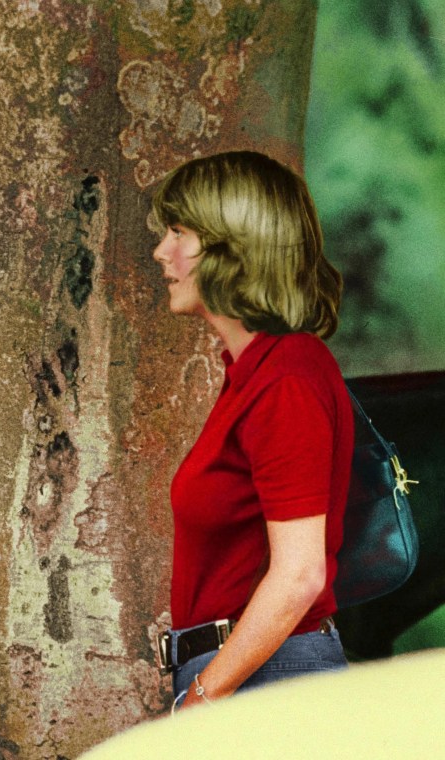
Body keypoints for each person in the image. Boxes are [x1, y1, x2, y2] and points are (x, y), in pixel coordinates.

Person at [149, 151, 353, 710]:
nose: (161, 252)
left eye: (180, 233)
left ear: (233, 247)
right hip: (249, 674)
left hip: (269, 679)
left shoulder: (287, 376)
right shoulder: (253, 372)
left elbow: (299, 575)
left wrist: (204, 696)